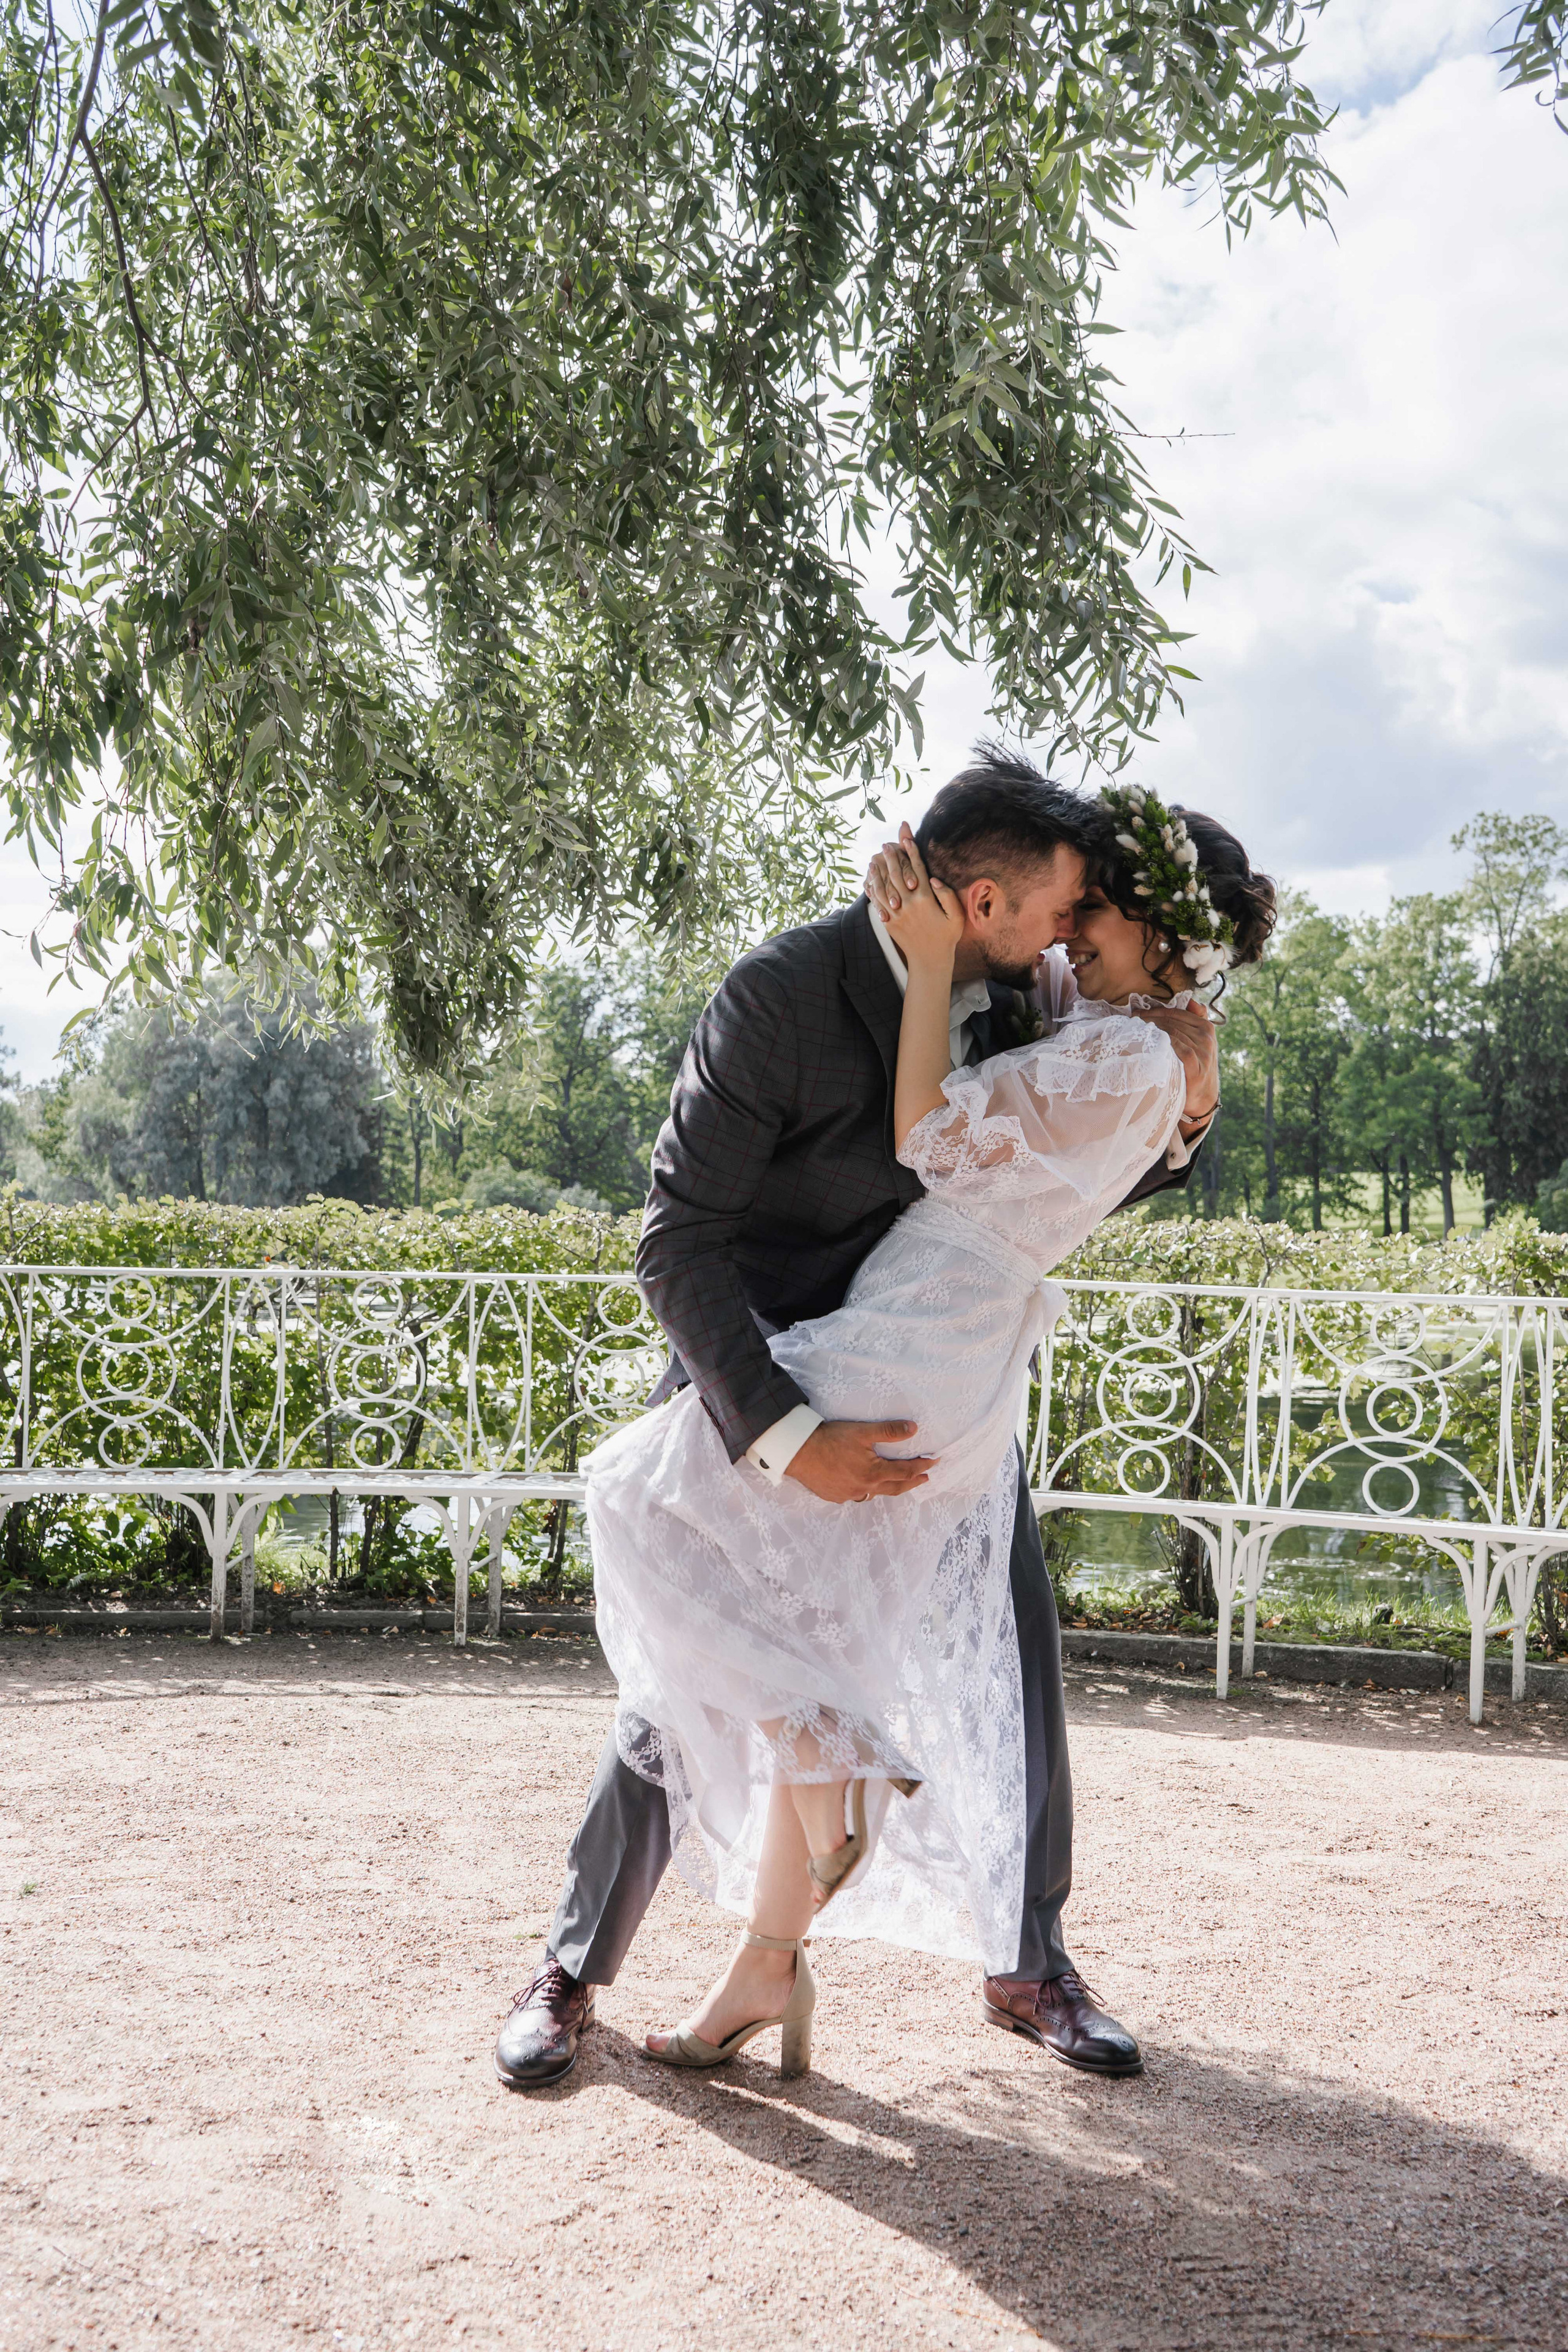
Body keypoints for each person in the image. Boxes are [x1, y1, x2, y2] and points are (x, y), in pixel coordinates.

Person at [493, 753, 1256, 2088]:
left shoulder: (1025, 987)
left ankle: (1030, 1967)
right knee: (685, 1672)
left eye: (1082, 919)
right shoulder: (778, 998)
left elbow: (1067, 1170)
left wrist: (1187, 1110)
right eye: (1052, 916)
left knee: (1008, 1651)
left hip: (937, 1371)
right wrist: (786, 1430)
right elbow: (675, 1244)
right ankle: (573, 1971)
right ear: (972, 900)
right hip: (781, 1378)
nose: (1064, 944)